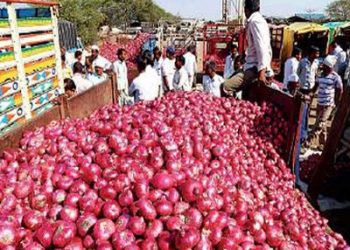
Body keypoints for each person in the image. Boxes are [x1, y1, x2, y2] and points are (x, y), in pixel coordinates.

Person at [224, 0, 272, 98]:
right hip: (251, 65)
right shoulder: (260, 20)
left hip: (254, 69)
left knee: (225, 86)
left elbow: (261, 47)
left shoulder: (255, 22)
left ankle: (229, 109)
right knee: (244, 94)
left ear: (246, 10)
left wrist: (261, 72)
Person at [306, 55, 343, 150]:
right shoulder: (320, 75)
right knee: (322, 125)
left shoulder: (335, 77)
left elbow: (339, 91)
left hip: (328, 104)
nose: (323, 68)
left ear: (330, 67)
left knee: (319, 124)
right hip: (319, 103)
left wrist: (336, 104)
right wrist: (311, 94)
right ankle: (323, 145)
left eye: (326, 67)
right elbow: (316, 86)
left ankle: (307, 143)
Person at [298, 45, 320, 142]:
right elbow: (297, 74)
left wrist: (313, 91)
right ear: (311, 53)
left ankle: (304, 132)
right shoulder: (302, 62)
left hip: (310, 91)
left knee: (308, 111)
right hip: (302, 90)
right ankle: (300, 131)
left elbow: (316, 76)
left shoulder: (316, 63)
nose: (318, 55)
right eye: (316, 53)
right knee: (301, 111)